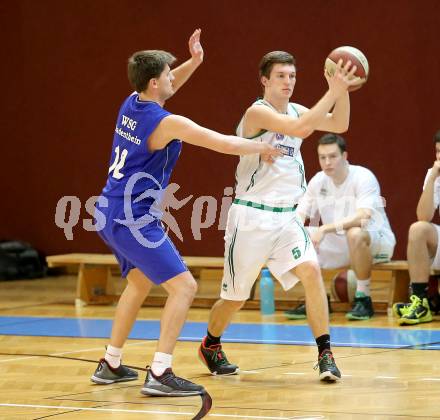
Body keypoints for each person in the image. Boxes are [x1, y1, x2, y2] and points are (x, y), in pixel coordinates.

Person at [90, 29, 281, 397]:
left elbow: (167, 85)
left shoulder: (131, 101)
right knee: (185, 286)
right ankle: (161, 372)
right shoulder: (166, 123)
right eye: (169, 73)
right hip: (133, 216)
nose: (173, 77)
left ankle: (111, 363)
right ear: (154, 82)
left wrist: (194, 62)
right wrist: (261, 147)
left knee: (140, 282)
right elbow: (220, 141)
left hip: (108, 209)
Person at [198, 50, 360, 382]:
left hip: (287, 218)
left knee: (312, 272)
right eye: (281, 76)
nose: (288, 82)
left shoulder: (299, 109)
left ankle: (325, 354)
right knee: (235, 298)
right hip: (251, 218)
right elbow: (301, 129)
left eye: (293, 76)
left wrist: (341, 89)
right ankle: (210, 344)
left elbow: (340, 123)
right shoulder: (257, 112)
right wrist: (333, 89)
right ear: (265, 81)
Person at [287, 133, 396, 321]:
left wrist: (325, 228)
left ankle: (364, 298)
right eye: (323, 157)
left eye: (332, 156)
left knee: (355, 233)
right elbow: (299, 215)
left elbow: (363, 217)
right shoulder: (318, 181)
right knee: (297, 237)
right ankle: (317, 299)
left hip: (375, 241)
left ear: (344, 156)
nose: (327, 162)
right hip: (339, 244)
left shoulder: (363, 176)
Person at [393, 130, 440, 325]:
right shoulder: (434, 174)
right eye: (438, 151)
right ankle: (421, 302)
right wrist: (432, 178)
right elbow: (423, 216)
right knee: (418, 229)